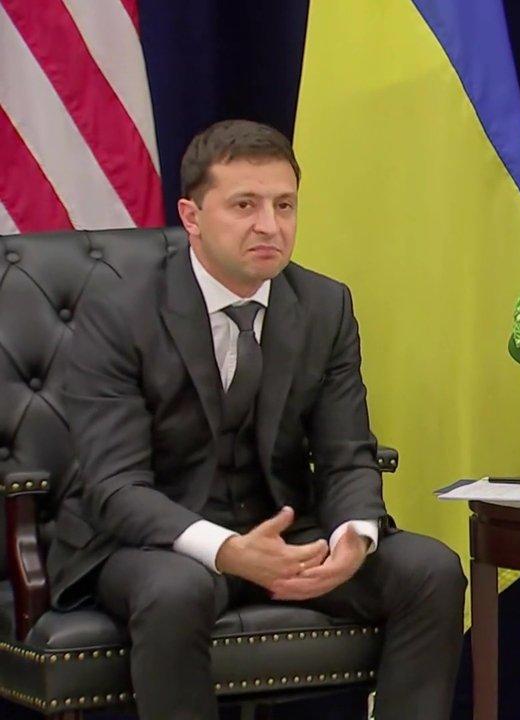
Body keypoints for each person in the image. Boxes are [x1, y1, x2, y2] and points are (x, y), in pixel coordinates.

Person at [47, 119, 466, 720]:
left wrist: (354, 535)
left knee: (431, 571)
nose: (270, 225)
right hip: (152, 541)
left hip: (285, 530)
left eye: (284, 205)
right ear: (192, 217)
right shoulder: (120, 311)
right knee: (176, 590)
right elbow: (116, 487)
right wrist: (226, 549)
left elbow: (348, 452)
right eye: (244, 205)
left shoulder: (324, 305)